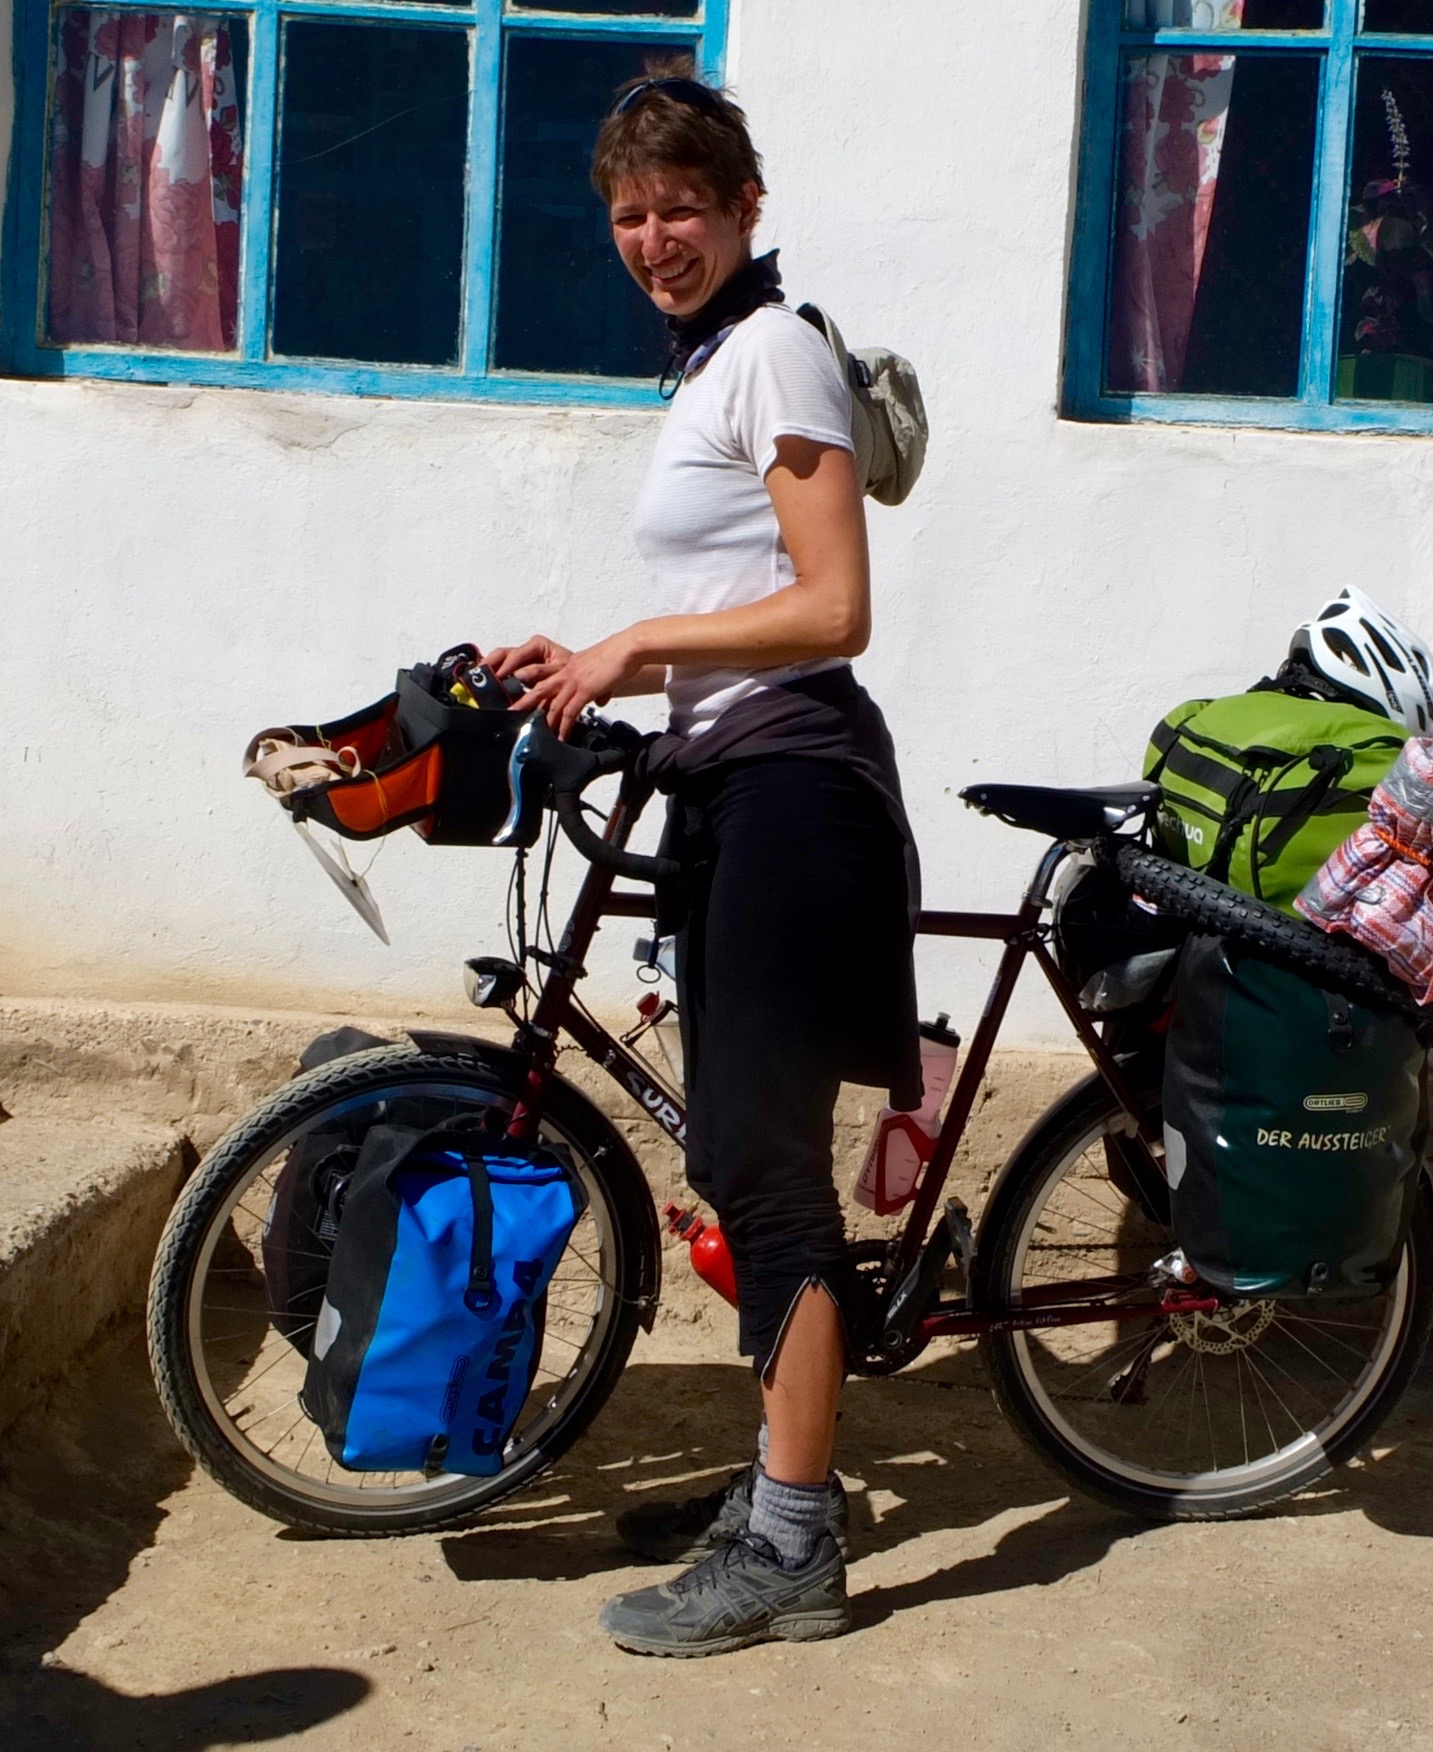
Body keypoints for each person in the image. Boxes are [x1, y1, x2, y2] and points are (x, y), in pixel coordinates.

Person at [486, 73, 921, 1657]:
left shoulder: (778, 350)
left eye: (682, 205)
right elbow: (743, 607)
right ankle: (777, 1486)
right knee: (741, 1158)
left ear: (744, 205)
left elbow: (831, 608)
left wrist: (634, 643)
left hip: (797, 790)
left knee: (768, 1171)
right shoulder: (713, 364)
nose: (654, 236)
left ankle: (794, 1547)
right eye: (629, 213)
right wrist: (585, 666)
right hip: (732, 780)